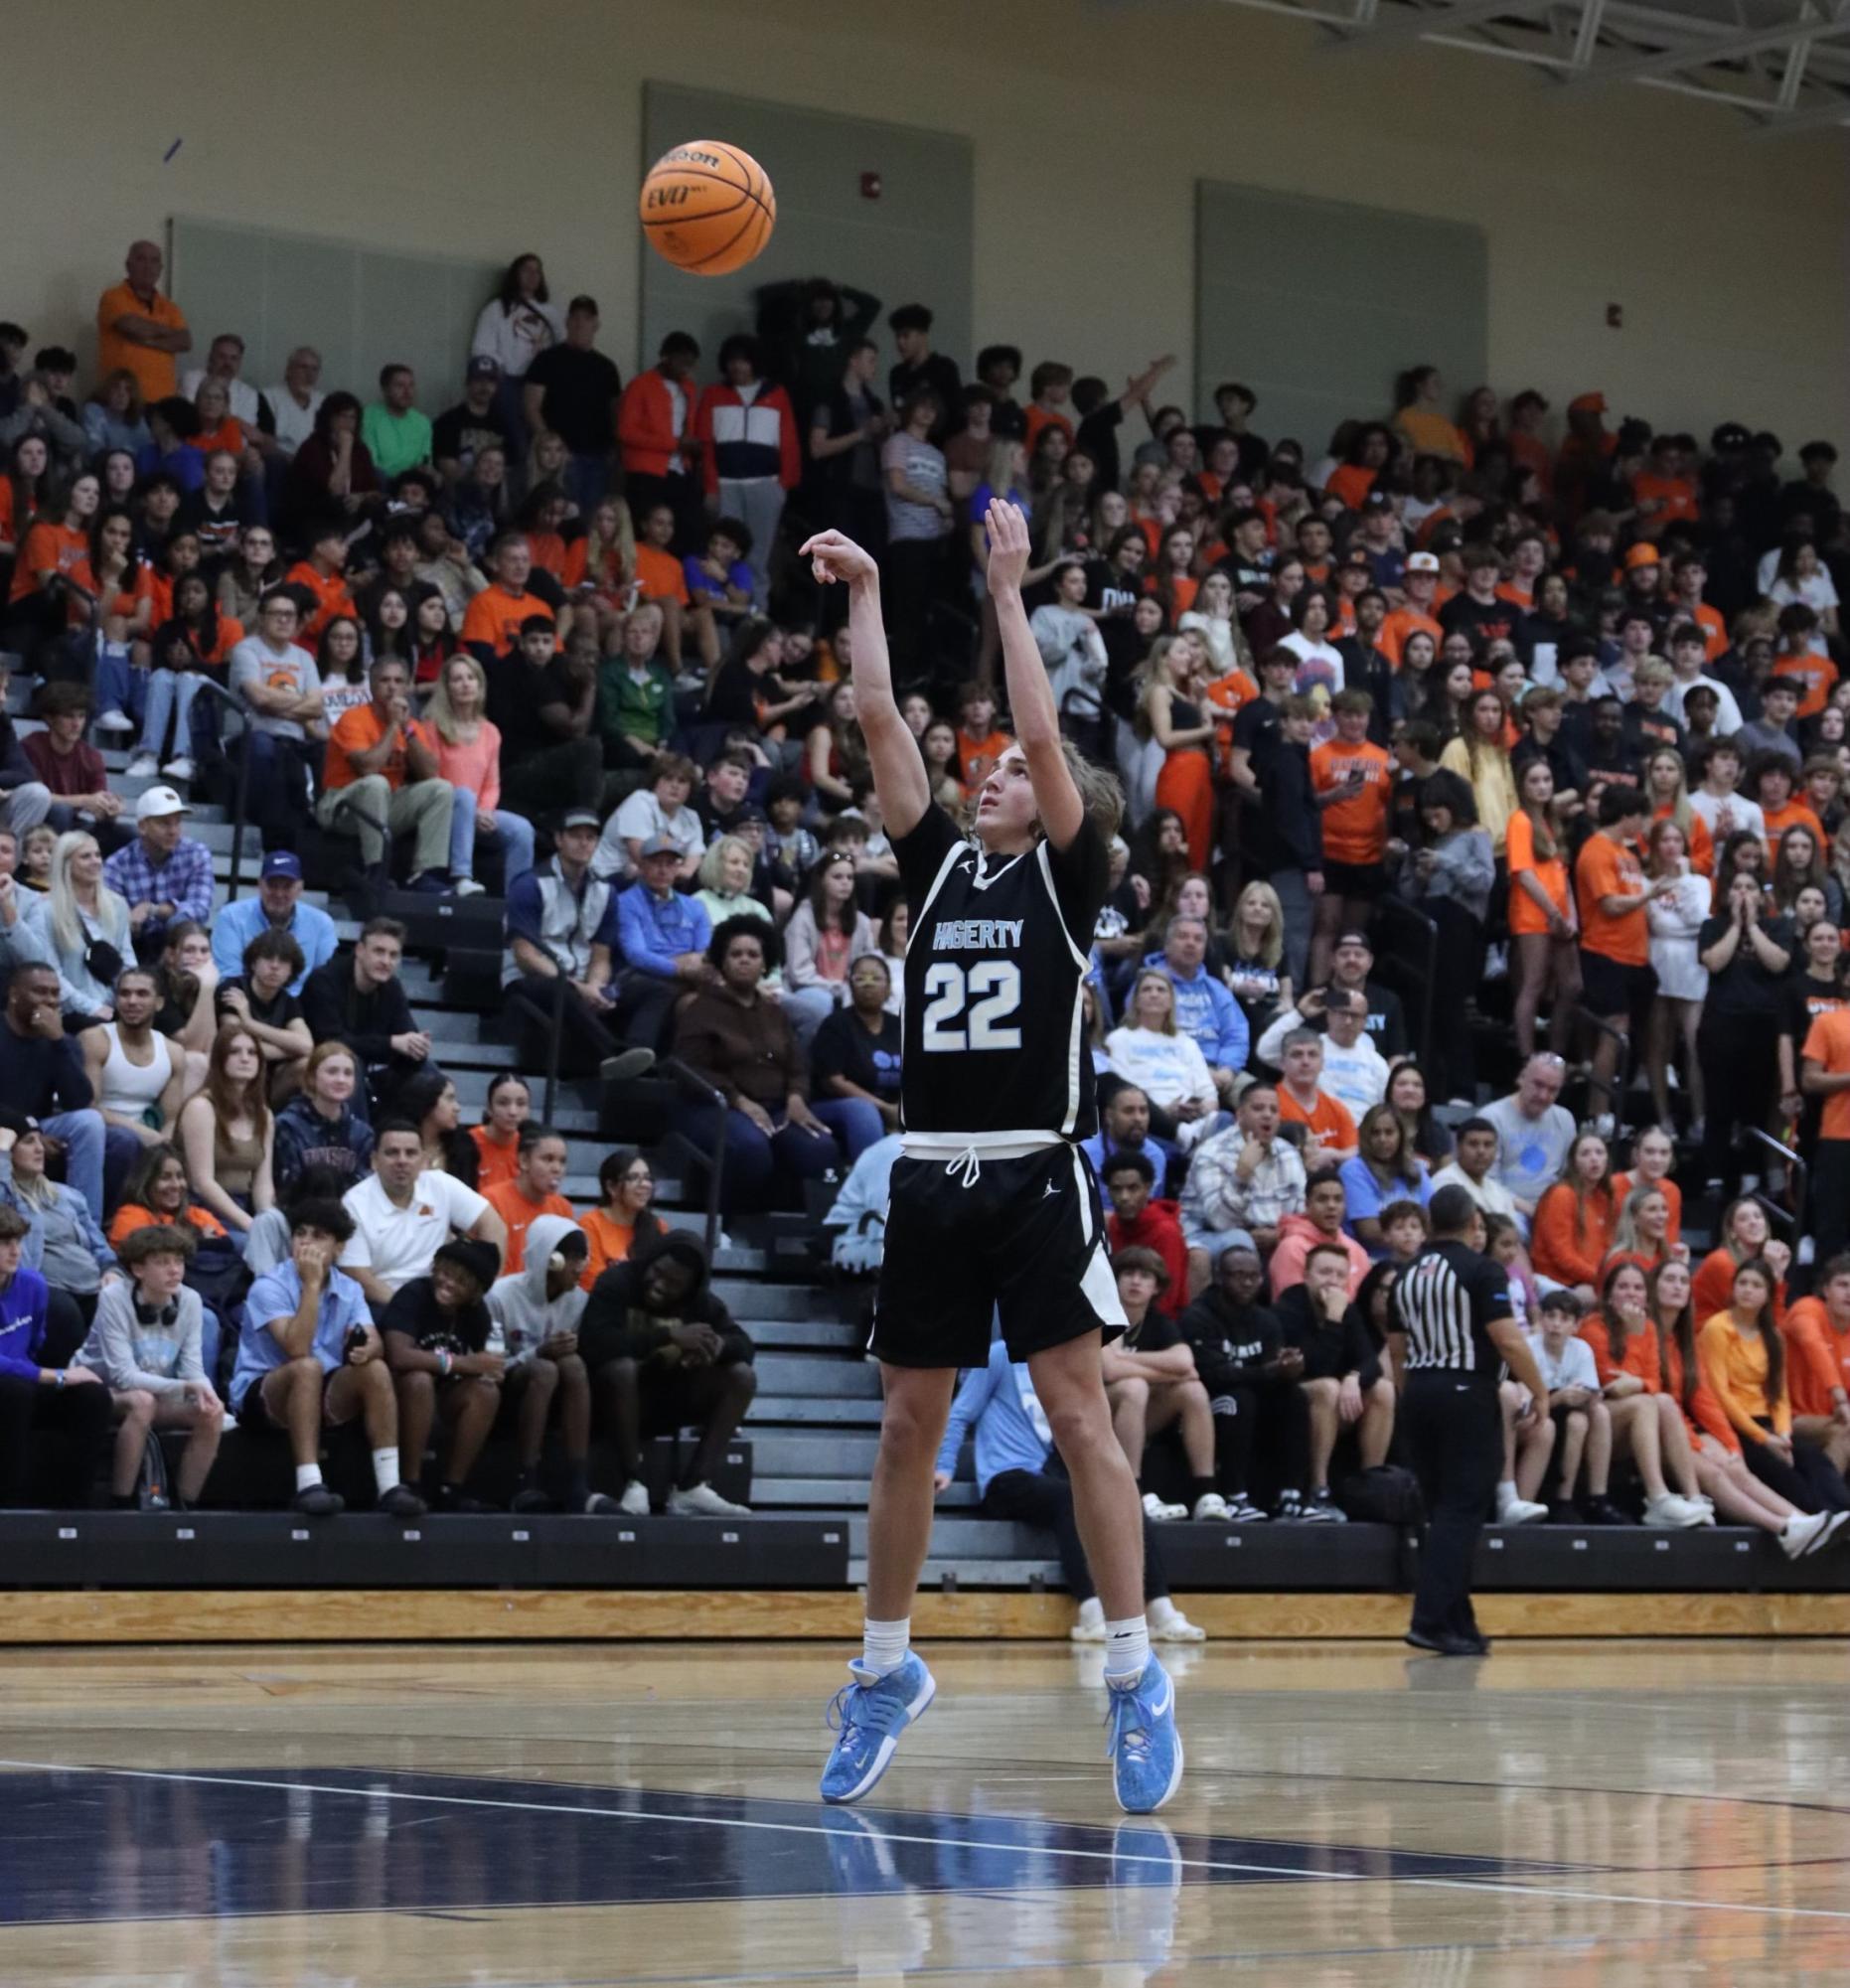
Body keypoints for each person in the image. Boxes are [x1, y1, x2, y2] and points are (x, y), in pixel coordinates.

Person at [802, 499, 1178, 1811]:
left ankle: (1132, 1673)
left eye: (1015, 772)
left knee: (1078, 1414)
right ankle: (884, 1668)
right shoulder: (940, 866)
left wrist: (1006, 593)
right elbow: (880, 722)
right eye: (997, 771)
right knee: (906, 1426)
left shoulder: (1068, 873)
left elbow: (1032, 727)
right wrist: (861, 597)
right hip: (931, 1169)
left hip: (1031, 1167)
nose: (996, 772)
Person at [1389, 1184, 1548, 1657]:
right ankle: (1431, 1619)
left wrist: (1412, 1397)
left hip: (1418, 1392)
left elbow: (1398, 1351)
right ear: (1472, 1224)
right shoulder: (1481, 1270)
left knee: (1444, 1512)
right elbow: (1509, 1339)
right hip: (1465, 1394)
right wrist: (1540, 1389)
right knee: (1463, 1510)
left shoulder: (1406, 1273)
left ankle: (1460, 1624)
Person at [231, 1198, 425, 1518]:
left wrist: (368, 1348)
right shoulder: (269, 1286)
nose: (305, 1242)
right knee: (307, 1367)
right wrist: (310, 1285)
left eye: (318, 1235)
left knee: (374, 1369)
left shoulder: (350, 1289)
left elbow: (372, 1336)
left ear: (339, 1248)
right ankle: (309, 1484)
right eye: (300, 1233)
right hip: (263, 1393)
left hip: (320, 1388)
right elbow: (296, 1348)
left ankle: (390, 1486)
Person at [579, 1229, 758, 1518]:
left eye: (674, 1283)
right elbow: (595, 1343)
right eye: (658, 1272)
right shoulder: (617, 1282)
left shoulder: (700, 1304)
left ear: (689, 1288)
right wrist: (668, 1336)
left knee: (741, 1376)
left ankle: (693, 1486)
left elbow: (745, 1344)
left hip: (667, 1398)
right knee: (622, 1368)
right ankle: (633, 1482)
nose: (659, 1285)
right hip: (609, 1400)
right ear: (650, 1260)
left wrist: (717, 1347)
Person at [76, 1223, 223, 1510]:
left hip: (155, 1394)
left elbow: (192, 1367)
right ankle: (122, 1502)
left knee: (211, 1413)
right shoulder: (114, 1298)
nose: (174, 1270)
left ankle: (184, 1507)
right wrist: (184, 1387)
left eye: (178, 1261)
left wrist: (205, 1392)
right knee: (142, 1402)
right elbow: (122, 1375)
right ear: (139, 1269)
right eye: (163, 1262)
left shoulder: (190, 1301)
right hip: (100, 1392)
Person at [484, 1215, 618, 1516]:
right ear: (550, 1259)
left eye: (583, 1258)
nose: (581, 1267)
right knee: (545, 1368)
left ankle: (578, 1484)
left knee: (572, 1363)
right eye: (572, 1259)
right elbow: (490, 1367)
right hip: (506, 1391)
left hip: (557, 1396)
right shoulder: (500, 1296)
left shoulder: (580, 1302)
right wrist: (538, 1352)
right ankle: (526, 1481)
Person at [1699, 1257, 1850, 1516]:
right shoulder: (1717, 1328)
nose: (1747, 1289)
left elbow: (1778, 1394)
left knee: (1815, 1461)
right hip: (1734, 1424)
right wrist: (1763, 1437)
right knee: (1791, 1476)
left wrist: (1782, 1435)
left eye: (1756, 1285)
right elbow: (1720, 1394)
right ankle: (1819, 1518)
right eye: (1742, 1283)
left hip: (1772, 1421)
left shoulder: (1771, 1335)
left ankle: (1841, 1515)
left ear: (1767, 1295)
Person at [1579, 1261, 1714, 1526]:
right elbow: (1613, 1385)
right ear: (1608, 1295)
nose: (1631, 1293)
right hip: (1599, 1419)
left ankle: (1694, 1497)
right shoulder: (1592, 1328)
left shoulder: (1648, 1327)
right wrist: (1633, 1338)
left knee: (1663, 1401)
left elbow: (1653, 1381)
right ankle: (1658, 1498)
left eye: (1638, 1288)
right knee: (1644, 1404)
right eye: (1624, 1287)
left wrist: (1639, 1380)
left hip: (1632, 1417)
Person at [0, 1202, 112, 1508]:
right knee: (14, 1393)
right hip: (12, 1388)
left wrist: (47, 1378)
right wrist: (53, 1376)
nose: (14, 1251)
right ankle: (11, 1510)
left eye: (17, 1242)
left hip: (24, 1381)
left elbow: (35, 1343)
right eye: (5, 1243)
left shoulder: (33, 1285)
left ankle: (74, 1510)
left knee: (92, 1396)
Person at [382, 1238, 505, 1511]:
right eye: (445, 1273)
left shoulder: (475, 1312)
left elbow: (488, 1363)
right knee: (419, 1379)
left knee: (486, 1391)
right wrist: (464, 1364)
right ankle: (410, 1483)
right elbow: (399, 1356)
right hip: (398, 1394)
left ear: (474, 1292)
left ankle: (452, 1487)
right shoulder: (414, 1293)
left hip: (443, 1398)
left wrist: (490, 1369)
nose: (448, 1284)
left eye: (460, 1281)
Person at [1274, 1242, 1396, 1518]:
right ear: (1306, 1275)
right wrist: (1332, 1319)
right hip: (1291, 1406)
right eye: (1325, 1272)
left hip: (1334, 1405)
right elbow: (1317, 1366)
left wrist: (1354, 1377)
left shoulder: (1347, 1309)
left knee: (1383, 1390)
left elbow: (1370, 1363)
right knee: (1328, 1386)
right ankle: (1319, 1490)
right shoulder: (1288, 1308)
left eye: (1341, 1275)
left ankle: (1371, 1487)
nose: (1333, 1281)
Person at [1100, 1248, 1222, 1520]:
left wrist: (1124, 1359)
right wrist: (1167, 1371)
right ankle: (1132, 1491)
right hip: (1097, 1413)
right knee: (1134, 1387)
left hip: (1138, 1415)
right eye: (1128, 1274)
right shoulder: (1104, 1316)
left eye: (1144, 1276)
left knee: (1193, 1390)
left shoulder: (1159, 1323)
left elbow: (1185, 1361)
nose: (1135, 1281)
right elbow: (1108, 1370)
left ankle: (1206, 1492)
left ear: (1156, 1287)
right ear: (1115, 1280)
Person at [316, 658, 456, 893]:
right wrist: (393, 727)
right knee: (375, 782)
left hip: (385, 805)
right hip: (342, 806)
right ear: (371, 685)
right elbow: (368, 768)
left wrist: (406, 730)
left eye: (398, 681)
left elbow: (431, 773)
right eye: (385, 680)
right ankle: (376, 869)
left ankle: (426, 873)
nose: (392, 687)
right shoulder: (353, 718)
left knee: (441, 789)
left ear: (407, 687)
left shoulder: (411, 725)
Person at [337, 1121, 506, 1312]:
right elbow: (358, 1275)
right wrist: (411, 1311)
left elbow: (494, 1226)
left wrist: (485, 1287)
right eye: (392, 1152)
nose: (402, 1161)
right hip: (382, 1304)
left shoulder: (441, 1185)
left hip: (443, 1298)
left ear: (424, 1160)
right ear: (374, 1161)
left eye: (411, 1153)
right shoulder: (353, 1203)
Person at [1697, 870, 1794, 1196]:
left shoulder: (1778, 927)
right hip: (1720, 1025)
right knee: (1719, 1105)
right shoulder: (1713, 926)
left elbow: (1778, 962)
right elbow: (1714, 962)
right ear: (1726, 894)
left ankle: (1751, 1176)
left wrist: (1752, 925)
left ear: (1762, 895)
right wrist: (1737, 927)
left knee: (1755, 1106)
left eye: (1750, 887)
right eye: (1736, 887)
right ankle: (1714, 1176)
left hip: (1762, 1026)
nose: (1742, 893)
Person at [0, 962, 106, 1221]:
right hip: (6, 1127)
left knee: (90, 1122)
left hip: (37, 1125)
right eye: (40, 991)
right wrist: (29, 1133)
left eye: (54, 993)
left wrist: (58, 1042)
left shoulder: (60, 1041)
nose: (49, 1000)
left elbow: (80, 1101)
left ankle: (85, 1226)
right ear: (14, 995)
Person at [1179, 1082, 1306, 1289]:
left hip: (1273, 1238)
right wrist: (1242, 1174)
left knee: (1301, 1246)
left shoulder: (1289, 1153)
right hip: (1208, 1236)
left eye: (1273, 1110)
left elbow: (1301, 1214)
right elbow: (1219, 1220)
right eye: (1258, 1108)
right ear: (1239, 1115)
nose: (1267, 1115)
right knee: (1240, 1243)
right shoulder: (1212, 1153)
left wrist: (1280, 1234)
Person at [301, 919, 428, 1118]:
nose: (386, 961)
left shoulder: (392, 987)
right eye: (379, 951)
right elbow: (333, 1041)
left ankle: (415, 1144)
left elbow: (405, 1035)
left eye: (393, 955)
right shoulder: (324, 981)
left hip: (373, 1070)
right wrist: (392, 1043)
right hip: (324, 1068)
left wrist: (417, 1046)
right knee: (350, 1064)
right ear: (360, 950)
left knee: (429, 1071)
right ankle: (359, 1144)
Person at [80, 967, 185, 1205]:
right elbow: (91, 1105)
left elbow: (171, 1118)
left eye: (141, 994)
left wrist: (164, 1147)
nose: (132, 1001)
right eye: (125, 994)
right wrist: (143, 1134)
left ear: (159, 1003)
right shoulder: (95, 1038)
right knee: (125, 1141)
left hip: (146, 1135)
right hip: (102, 1134)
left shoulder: (173, 1052)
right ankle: (110, 1220)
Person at [1524, 1290, 1619, 1524]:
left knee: (1598, 1414)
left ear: (1576, 1326)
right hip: (1535, 1414)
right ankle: (1559, 1501)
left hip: (1569, 1412)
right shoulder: (1529, 1347)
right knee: (1572, 1421)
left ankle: (1595, 1497)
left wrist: (1585, 1397)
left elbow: (1592, 1393)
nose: (1556, 1324)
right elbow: (1523, 1403)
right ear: (1541, 1319)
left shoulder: (1581, 1349)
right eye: (1551, 1316)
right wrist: (1559, 1398)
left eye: (1564, 1319)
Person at [102, 787, 213, 956]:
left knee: (184, 927)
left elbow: (200, 909)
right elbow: (109, 919)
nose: (173, 830)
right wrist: (129, 923)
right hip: (133, 946)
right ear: (142, 827)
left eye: (177, 822)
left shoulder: (197, 854)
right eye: (164, 823)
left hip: (178, 946)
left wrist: (152, 909)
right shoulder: (117, 864)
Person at [1480, 1054, 1576, 1221]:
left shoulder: (1564, 1119)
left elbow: (1570, 1175)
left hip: (1553, 1208)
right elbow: (1487, 1183)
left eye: (1553, 1090)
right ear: (1521, 1078)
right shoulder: (1492, 1117)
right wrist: (1533, 1212)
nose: (1543, 1096)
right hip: (1505, 1210)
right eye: (1538, 1085)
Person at [95, 241, 191, 404]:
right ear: (128, 265)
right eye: (141, 259)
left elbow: (185, 341)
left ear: (160, 269)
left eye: (154, 261)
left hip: (162, 402)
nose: (148, 266)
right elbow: (131, 326)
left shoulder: (170, 308)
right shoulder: (113, 297)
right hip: (122, 401)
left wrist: (147, 340)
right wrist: (169, 332)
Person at [1530, 1131, 1619, 1302]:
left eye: (1600, 1153)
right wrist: (1601, 1278)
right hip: (1560, 1280)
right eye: (1585, 1154)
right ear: (1573, 1162)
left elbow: (1609, 1247)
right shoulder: (1562, 1194)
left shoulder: (1604, 1197)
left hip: (1592, 1278)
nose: (1594, 1159)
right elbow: (1561, 1255)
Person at [482, 1124, 575, 1277]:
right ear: (524, 1161)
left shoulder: (563, 1208)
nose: (557, 1168)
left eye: (562, 1161)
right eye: (548, 1159)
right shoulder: (492, 1200)